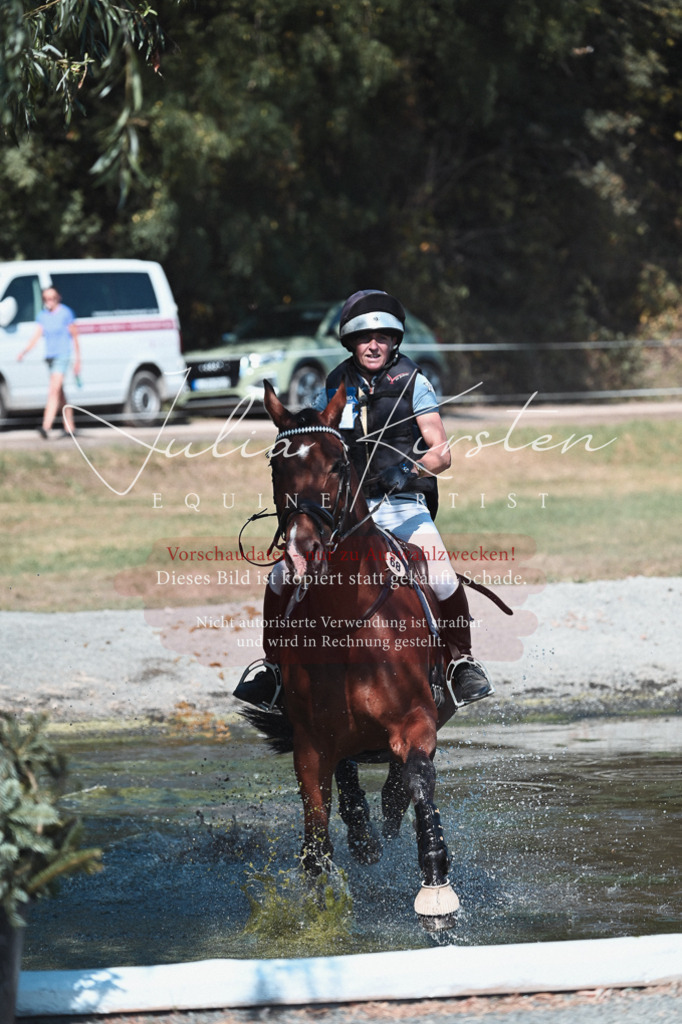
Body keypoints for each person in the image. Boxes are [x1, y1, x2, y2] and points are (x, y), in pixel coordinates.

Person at [235, 289, 493, 710]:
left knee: (443, 574)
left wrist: (407, 470)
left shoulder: (415, 382)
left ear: (395, 342)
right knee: (280, 578)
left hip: (403, 503)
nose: (373, 345)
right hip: (344, 512)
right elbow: (317, 438)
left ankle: (460, 662)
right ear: (351, 343)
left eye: (383, 338)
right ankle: (273, 669)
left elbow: (441, 452)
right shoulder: (335, 383)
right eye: (364, 338)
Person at [17, 287, 81, 438]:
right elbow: (35, 337)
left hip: (63, 356)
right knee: (60, 393)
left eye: (52, 298)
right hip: (50, 357)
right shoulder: (43, 316)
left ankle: (46, 426)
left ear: (58, 297)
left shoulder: (66, 313)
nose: (49, 301)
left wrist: (78, 360)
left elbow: (75, 338)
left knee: (53, 390)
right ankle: (70, 426)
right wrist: (23, 352)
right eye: (46, 299)